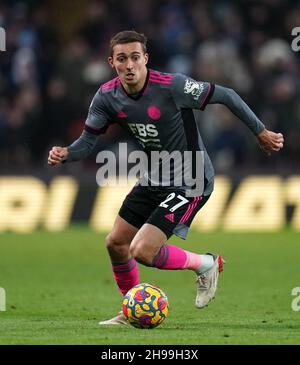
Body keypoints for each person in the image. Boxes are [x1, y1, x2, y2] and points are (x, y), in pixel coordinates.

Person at [48, 30, 284, 325]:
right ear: (112, 63)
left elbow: (227, 95)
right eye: (122, 59)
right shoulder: (107, 97)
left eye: (136, 57)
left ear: (146, 59)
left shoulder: (174, 86)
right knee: (116, 244)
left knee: (142, 250)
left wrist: (260, 132)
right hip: (155, 175)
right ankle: (130, 308)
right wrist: (66, 153)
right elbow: (86, 142)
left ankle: (206, 264)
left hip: (192, 179)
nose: (130, 65)